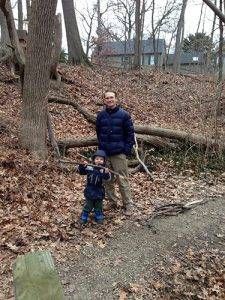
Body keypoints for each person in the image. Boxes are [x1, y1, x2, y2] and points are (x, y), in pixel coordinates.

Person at [96, 90, 135, 215]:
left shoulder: (124, 115)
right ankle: (113, 202)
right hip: (105, 154)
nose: (109, 100)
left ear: (116, 99)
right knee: (107, 180)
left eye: (112, 97)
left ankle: (128, 204)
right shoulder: (101, 115)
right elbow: (98, 133)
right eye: (107, 98)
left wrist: (126, 150)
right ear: (104, 100)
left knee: (122, 180)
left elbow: (130, 135)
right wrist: (101, 151)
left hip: (119, 153)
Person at [77, 150, 111, 224]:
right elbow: (81, 172)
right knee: (88, 204)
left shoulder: (104, 170)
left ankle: (98, 215)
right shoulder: (90, 168)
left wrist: (106, 173)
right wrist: (82, 166)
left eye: (101, 159)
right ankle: (84, 215)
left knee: (98, 205)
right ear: (94, 160)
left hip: (99, 191)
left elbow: (108, 179)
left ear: (104, 161)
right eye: (97, 159)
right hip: (90, 189)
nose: (99, 161)